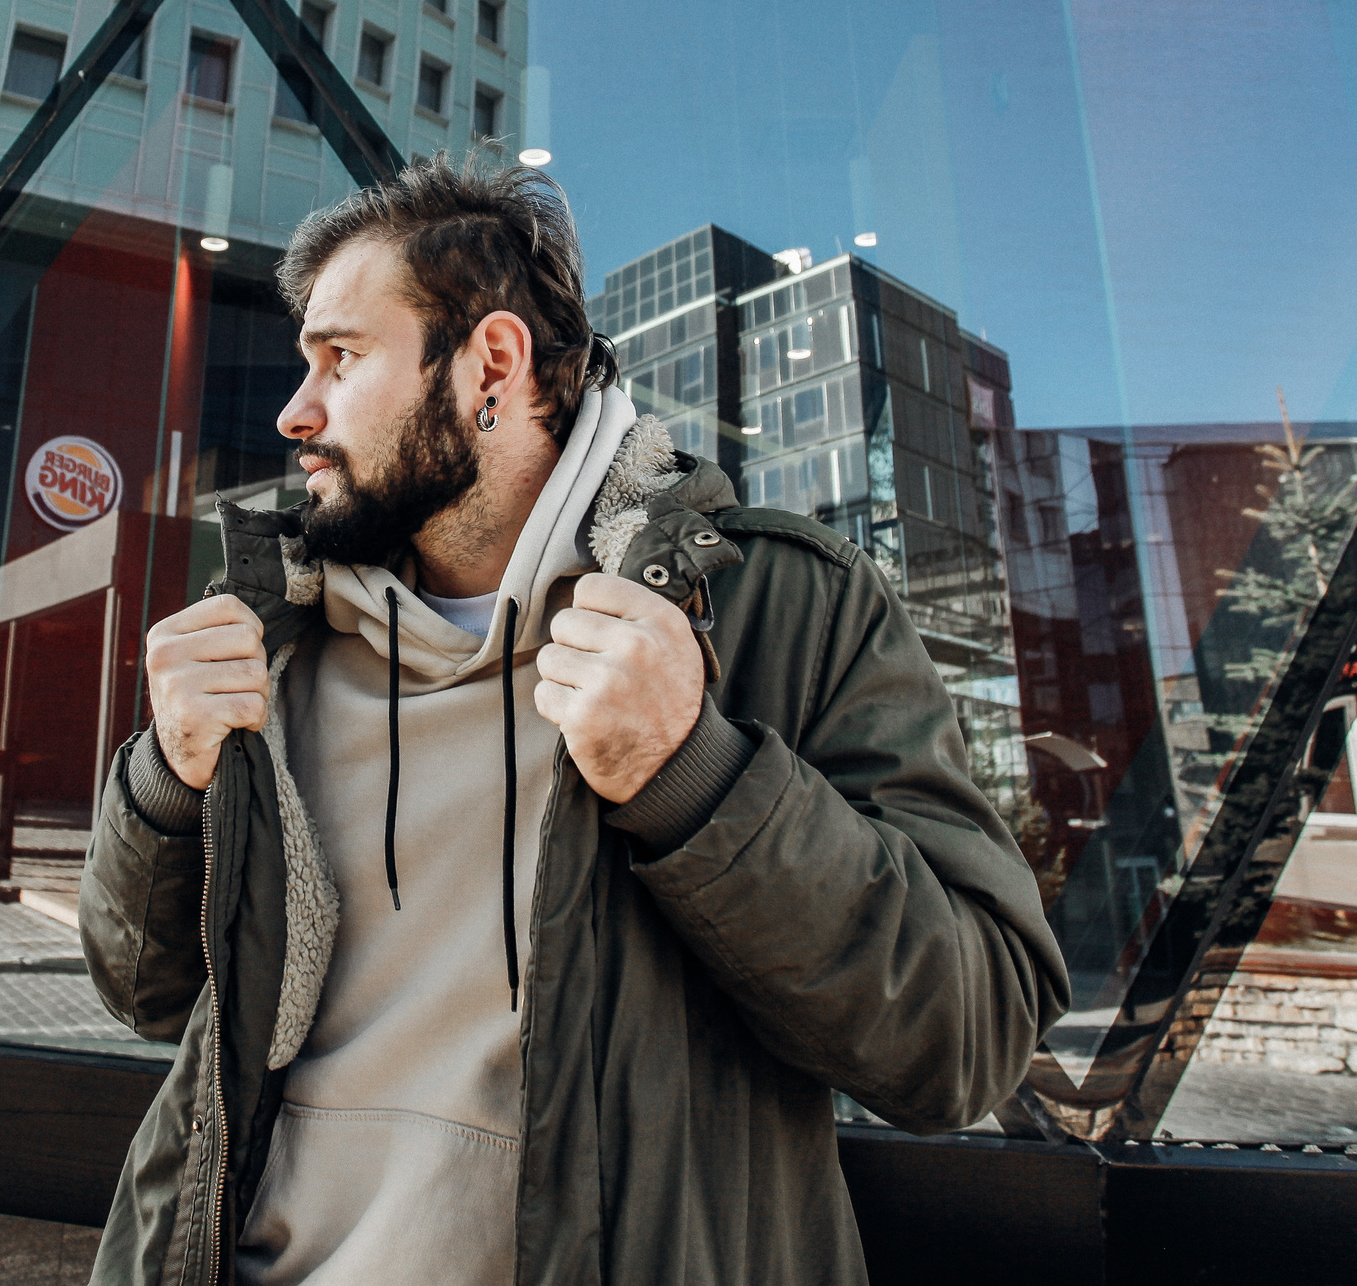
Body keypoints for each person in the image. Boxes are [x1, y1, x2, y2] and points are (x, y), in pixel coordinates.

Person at [80, 158, 1066, 1285]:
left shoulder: (782, 607)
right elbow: (147, 992)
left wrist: (696, 778)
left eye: (340, 358)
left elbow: (969, 1041)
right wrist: (163, 781)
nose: (292, 412)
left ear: (489, 364)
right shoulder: (268, 636)